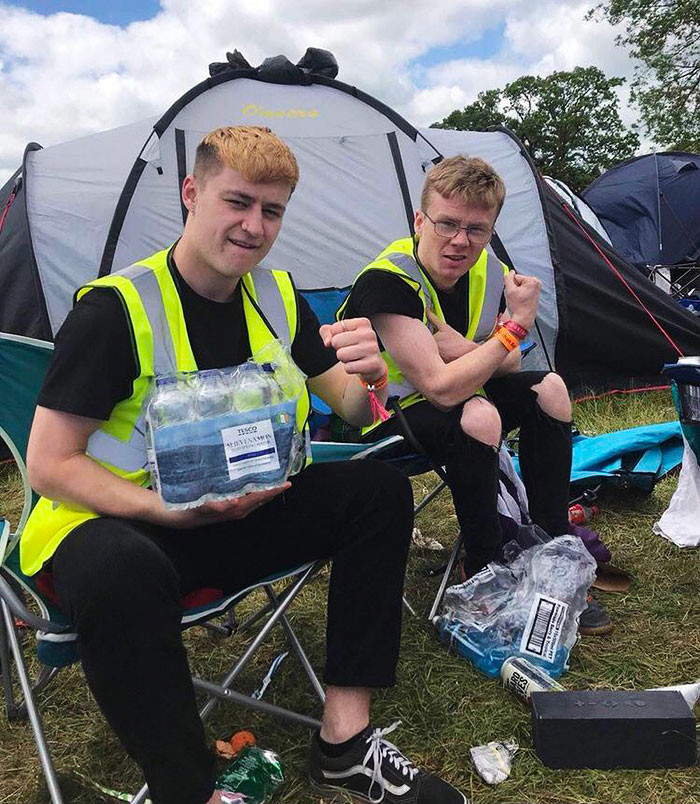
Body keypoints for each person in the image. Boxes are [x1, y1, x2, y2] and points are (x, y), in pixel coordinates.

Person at [20, 127, 467, 804]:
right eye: (238, 202)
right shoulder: (117, 309)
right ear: (192, 194)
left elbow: (348, 405)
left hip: (241, 514)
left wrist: (373, 376)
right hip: (131, 526)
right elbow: (50, 466)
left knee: (377, 488)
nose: (254, 226)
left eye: (273, 210)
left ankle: (345, 743)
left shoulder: (277, 294)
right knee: (119, 568)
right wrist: (162, 509)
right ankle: (187, 788)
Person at [339, 155, 612, 635]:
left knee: (550, 387)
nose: (460, 241)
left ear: (490, 230)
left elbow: (509, 362)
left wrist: (467, 349)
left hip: (461, 396)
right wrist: (511, 331)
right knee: (478, 414)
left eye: (476, 229)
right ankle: (485, 567)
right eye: (446, 224)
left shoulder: (489, 268)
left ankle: (552, 548)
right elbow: (442, 389)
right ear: (420, 221)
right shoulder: (388, 280)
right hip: (381, 415)